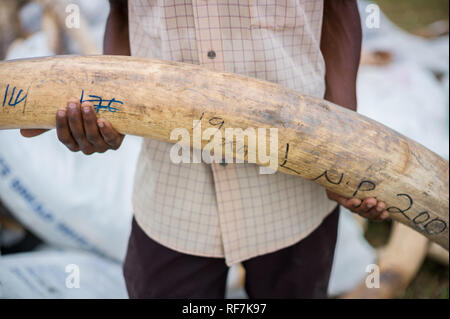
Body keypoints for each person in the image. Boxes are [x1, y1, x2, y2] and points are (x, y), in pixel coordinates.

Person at [22, 0, 389, 298]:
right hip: (174, 191)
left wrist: (343, 151)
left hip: (292, 187)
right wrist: (110, 117)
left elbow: (339, 7)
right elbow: (121, 10)